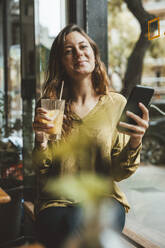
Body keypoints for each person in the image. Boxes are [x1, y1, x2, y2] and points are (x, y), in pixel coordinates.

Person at [32, 24, 149, 248]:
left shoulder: (117, 104)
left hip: (104, 200)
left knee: (81, 226)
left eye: (83, 46)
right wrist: (41, 140)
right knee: (75, 228)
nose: (78, 54)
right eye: (68, 50)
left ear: (94, 54)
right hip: (57, 201)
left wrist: (135, 141)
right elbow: (42, 171)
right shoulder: (50, 107)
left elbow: (119, 172)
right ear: (61, 62)